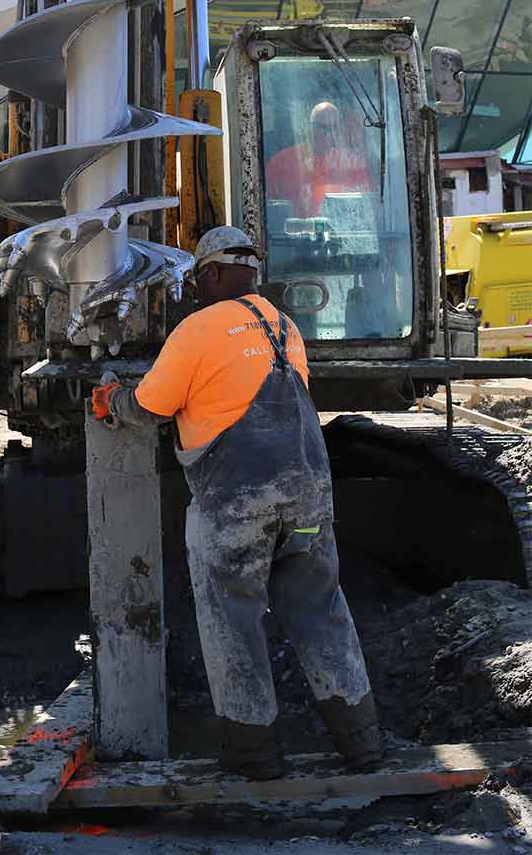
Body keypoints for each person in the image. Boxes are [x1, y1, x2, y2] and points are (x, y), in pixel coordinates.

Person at [92, 225, 384, 779]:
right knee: (322, 612)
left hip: (236, 502)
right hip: (307, 503)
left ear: (210, 274)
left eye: (198, 280)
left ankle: (255, 755)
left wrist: (113, 401)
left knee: (233, 618)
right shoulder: (285, 325)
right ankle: (363, 742)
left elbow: (153, 405)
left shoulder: (198, 328)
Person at [265, 100, 373, 219]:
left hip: (341, 234)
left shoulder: (353, 164)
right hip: (295, 236)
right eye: (324, 127)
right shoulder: (281, 162)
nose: (329, 134)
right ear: (309, 127)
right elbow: (269, 210)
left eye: (334, 128)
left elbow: (367, 208)